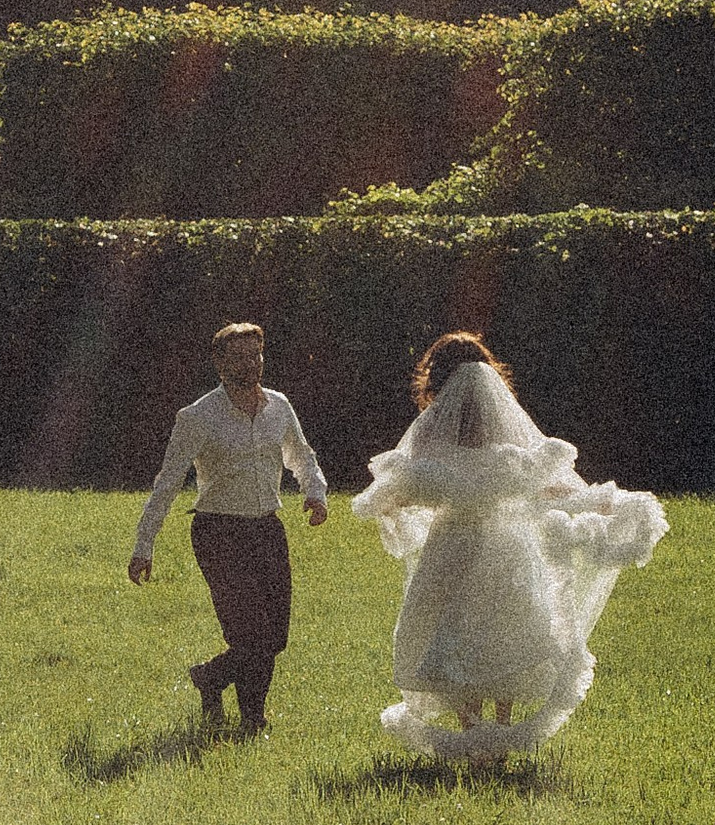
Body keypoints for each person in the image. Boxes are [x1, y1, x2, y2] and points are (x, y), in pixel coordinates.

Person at [352, 329, 665, 763]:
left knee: (455, 636)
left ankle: (473, 733)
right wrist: (602, 501)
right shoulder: (508, 433)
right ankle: (498, 731)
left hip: (455, 546)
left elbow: (403, 489)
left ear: (436, 379)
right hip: (508, 546)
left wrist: (396, 504)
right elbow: (549, 486)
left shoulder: (431, 435)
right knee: (506, 634)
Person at [127, 321, 329, 736]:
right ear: (219, 364)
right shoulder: (198, 416)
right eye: (238, 357)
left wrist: (315, 492)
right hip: (219, 534)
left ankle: (209, 678)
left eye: (255, 355)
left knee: (274, 638)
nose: (250, 364)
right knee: (251, 635)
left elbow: (301, 456)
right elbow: (168, 482)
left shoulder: (279, 406)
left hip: (268, 530)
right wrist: (144, 544)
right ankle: (253, 719)